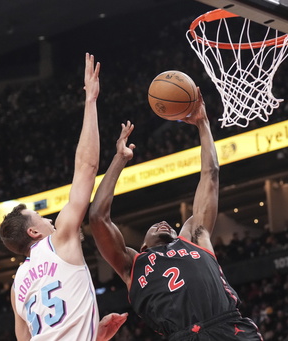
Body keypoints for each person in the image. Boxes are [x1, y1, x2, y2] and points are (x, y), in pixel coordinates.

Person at [89, 88, 263, 340]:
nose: (162, 223)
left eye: (168, 224)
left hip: (229, 327)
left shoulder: (194, 236)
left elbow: (211, 175)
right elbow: (97, 217)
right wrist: (119, 159)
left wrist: (203, 123)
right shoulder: (131, 265)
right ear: (142, 245)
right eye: (154, 226)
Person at [0, 53, 127, 341]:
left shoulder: (17, 285)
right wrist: (91, 101)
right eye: (42, 218)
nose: (50, 222)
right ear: (33, 231)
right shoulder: (59, 241)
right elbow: (86, 168)